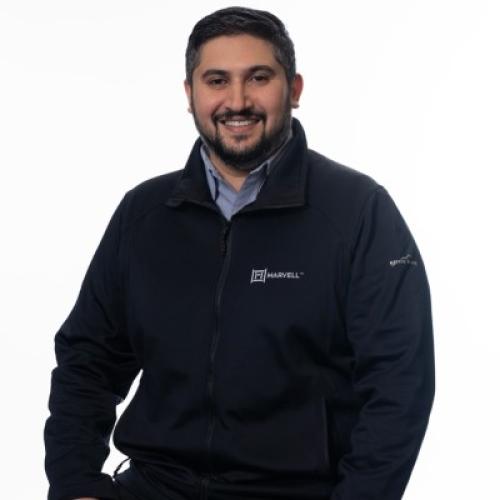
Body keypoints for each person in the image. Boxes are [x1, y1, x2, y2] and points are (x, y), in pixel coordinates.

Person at [44, 6, 435, 500]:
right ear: (190, 95)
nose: (237, 101)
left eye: (258, 78)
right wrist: (75, 485)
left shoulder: (358, 211)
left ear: (294, 89)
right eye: (216, 81)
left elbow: (400, 383)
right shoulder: (143, 214)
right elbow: (87, 361)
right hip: (154, 487)